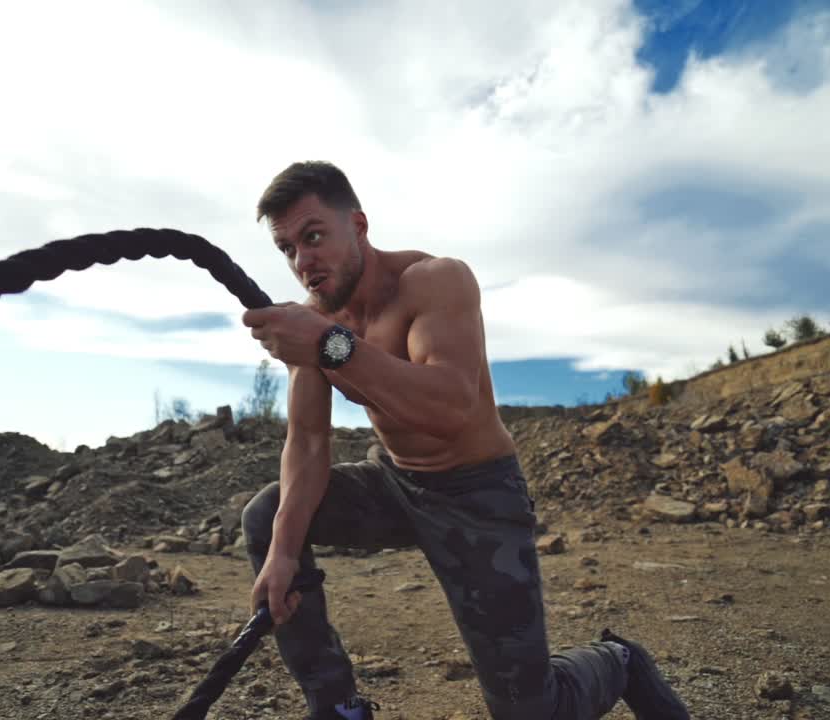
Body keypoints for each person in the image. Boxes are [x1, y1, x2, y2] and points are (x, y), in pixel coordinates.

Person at [240, 161, 691, 720]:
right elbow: (307, 444)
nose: (302, 262)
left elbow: (450, 408)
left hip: (478, 494)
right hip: (397, 483)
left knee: (531, 711)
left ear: (356, 226)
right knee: (270, 513)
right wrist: (283, 554)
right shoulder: (317, 323)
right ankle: (338, 708)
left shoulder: (435, 281)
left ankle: (618, 659)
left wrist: (331, 345)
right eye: (287, 249)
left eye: (313, 237)